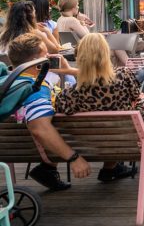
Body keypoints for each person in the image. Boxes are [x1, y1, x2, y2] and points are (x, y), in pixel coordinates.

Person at [57, 34, 144, 187]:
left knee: (117, 123)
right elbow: (135, 96)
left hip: (94, 144)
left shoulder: (69, 95)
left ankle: (109, 168)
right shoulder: (123, 76)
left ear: (79, 57)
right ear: (105, 54)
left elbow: (62, 108)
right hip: (131, 139)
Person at [7, 34, 89, 191]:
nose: (50, 58)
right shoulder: (35, 89)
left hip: (12, 147)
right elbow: (40, 128)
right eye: (46, 55)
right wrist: (74, 158)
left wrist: (67, 70)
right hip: (41, 148)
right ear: (37, 62)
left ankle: (48, 170)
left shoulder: (9, 82)